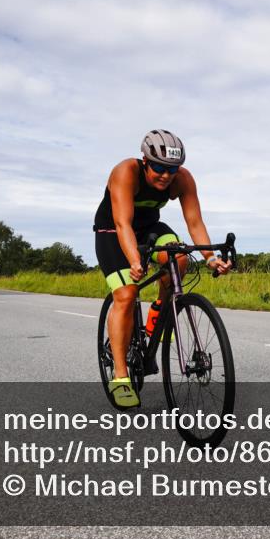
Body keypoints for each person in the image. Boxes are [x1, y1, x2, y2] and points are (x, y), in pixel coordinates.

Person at [94, 129, 232, 408]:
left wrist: (209, 257)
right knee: (126, 294)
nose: (165, 175)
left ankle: (160, 307)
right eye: (158, 167)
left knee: (180, 259)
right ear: (145, 161)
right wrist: (134, 260)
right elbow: (123, 224)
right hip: (113, 230)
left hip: (149, 229)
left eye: (172, 169)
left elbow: (194, 222)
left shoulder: (183, 179)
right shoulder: (126, 171)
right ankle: (121, 377)